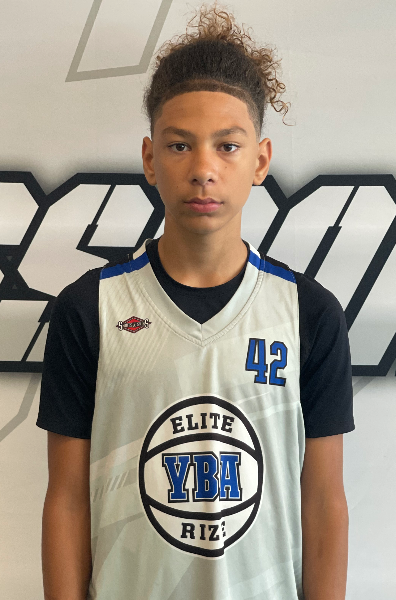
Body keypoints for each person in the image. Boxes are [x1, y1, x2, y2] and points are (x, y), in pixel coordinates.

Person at [36, 3, 355, 599]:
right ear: (150, 159)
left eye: (227, 146)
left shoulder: (309, 313)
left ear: (260, 160)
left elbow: (323, 502)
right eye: (180, 146)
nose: (204, 168)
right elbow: (67, 500)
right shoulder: (89, 309)